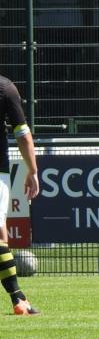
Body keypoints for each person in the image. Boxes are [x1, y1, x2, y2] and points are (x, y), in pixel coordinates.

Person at [0, 76, 40, 314]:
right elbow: (23, 135)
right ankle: (18, 298)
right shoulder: (5, 88)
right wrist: (32, 170)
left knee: (1, 231)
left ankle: (18, 298)